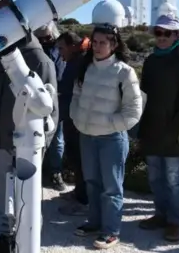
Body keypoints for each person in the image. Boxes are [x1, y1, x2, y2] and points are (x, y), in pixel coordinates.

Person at [0, 33, 59, 253]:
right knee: (3, 199)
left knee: (26, 202)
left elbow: (51, 111)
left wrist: (36, 150)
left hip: (21, 147)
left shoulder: (40, 61)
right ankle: (7, 240)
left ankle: (26, 243)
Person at [70, 23, 142, 250]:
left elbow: (134, 109)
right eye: (95, 42)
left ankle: (111, 231)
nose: (98, 46)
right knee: (92, 182)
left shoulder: (124, 72)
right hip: (87, 135)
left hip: (111, 139)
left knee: (112, 187)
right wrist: (76, 117)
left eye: (103, 42)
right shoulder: (86, 67)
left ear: (114, 44)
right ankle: (95, 222)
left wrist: (112, 124)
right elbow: (76, 95)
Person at [137, 15, 179, 242]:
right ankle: (160, 215)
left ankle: (175, 222)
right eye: (159, 32)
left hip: (174, 132)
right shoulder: (151, 60)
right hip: (151, 129)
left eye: (168, 33)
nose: (162, 37)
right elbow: (143, 95)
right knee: (156, 178)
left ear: (177, 34)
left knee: (175, 180)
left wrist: (177, 126)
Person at [54, 32, 90, 216]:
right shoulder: (75, 60)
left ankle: (84, 200)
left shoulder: (82, 63)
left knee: (81, 159)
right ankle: (79, 192)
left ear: (72, 46)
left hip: (78, 120)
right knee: (75, 158)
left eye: (61, 48)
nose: (59, 53)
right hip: (70, 118)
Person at [35, 24, 67, 191]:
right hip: (36, 102)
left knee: (57, 140)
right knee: (35, 138)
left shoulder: (59, 50)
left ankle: (55, 173)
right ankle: (37, 171)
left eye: (48, 38)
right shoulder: (33, 52)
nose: (45, 41)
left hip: (57, 102)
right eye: (41, 39)